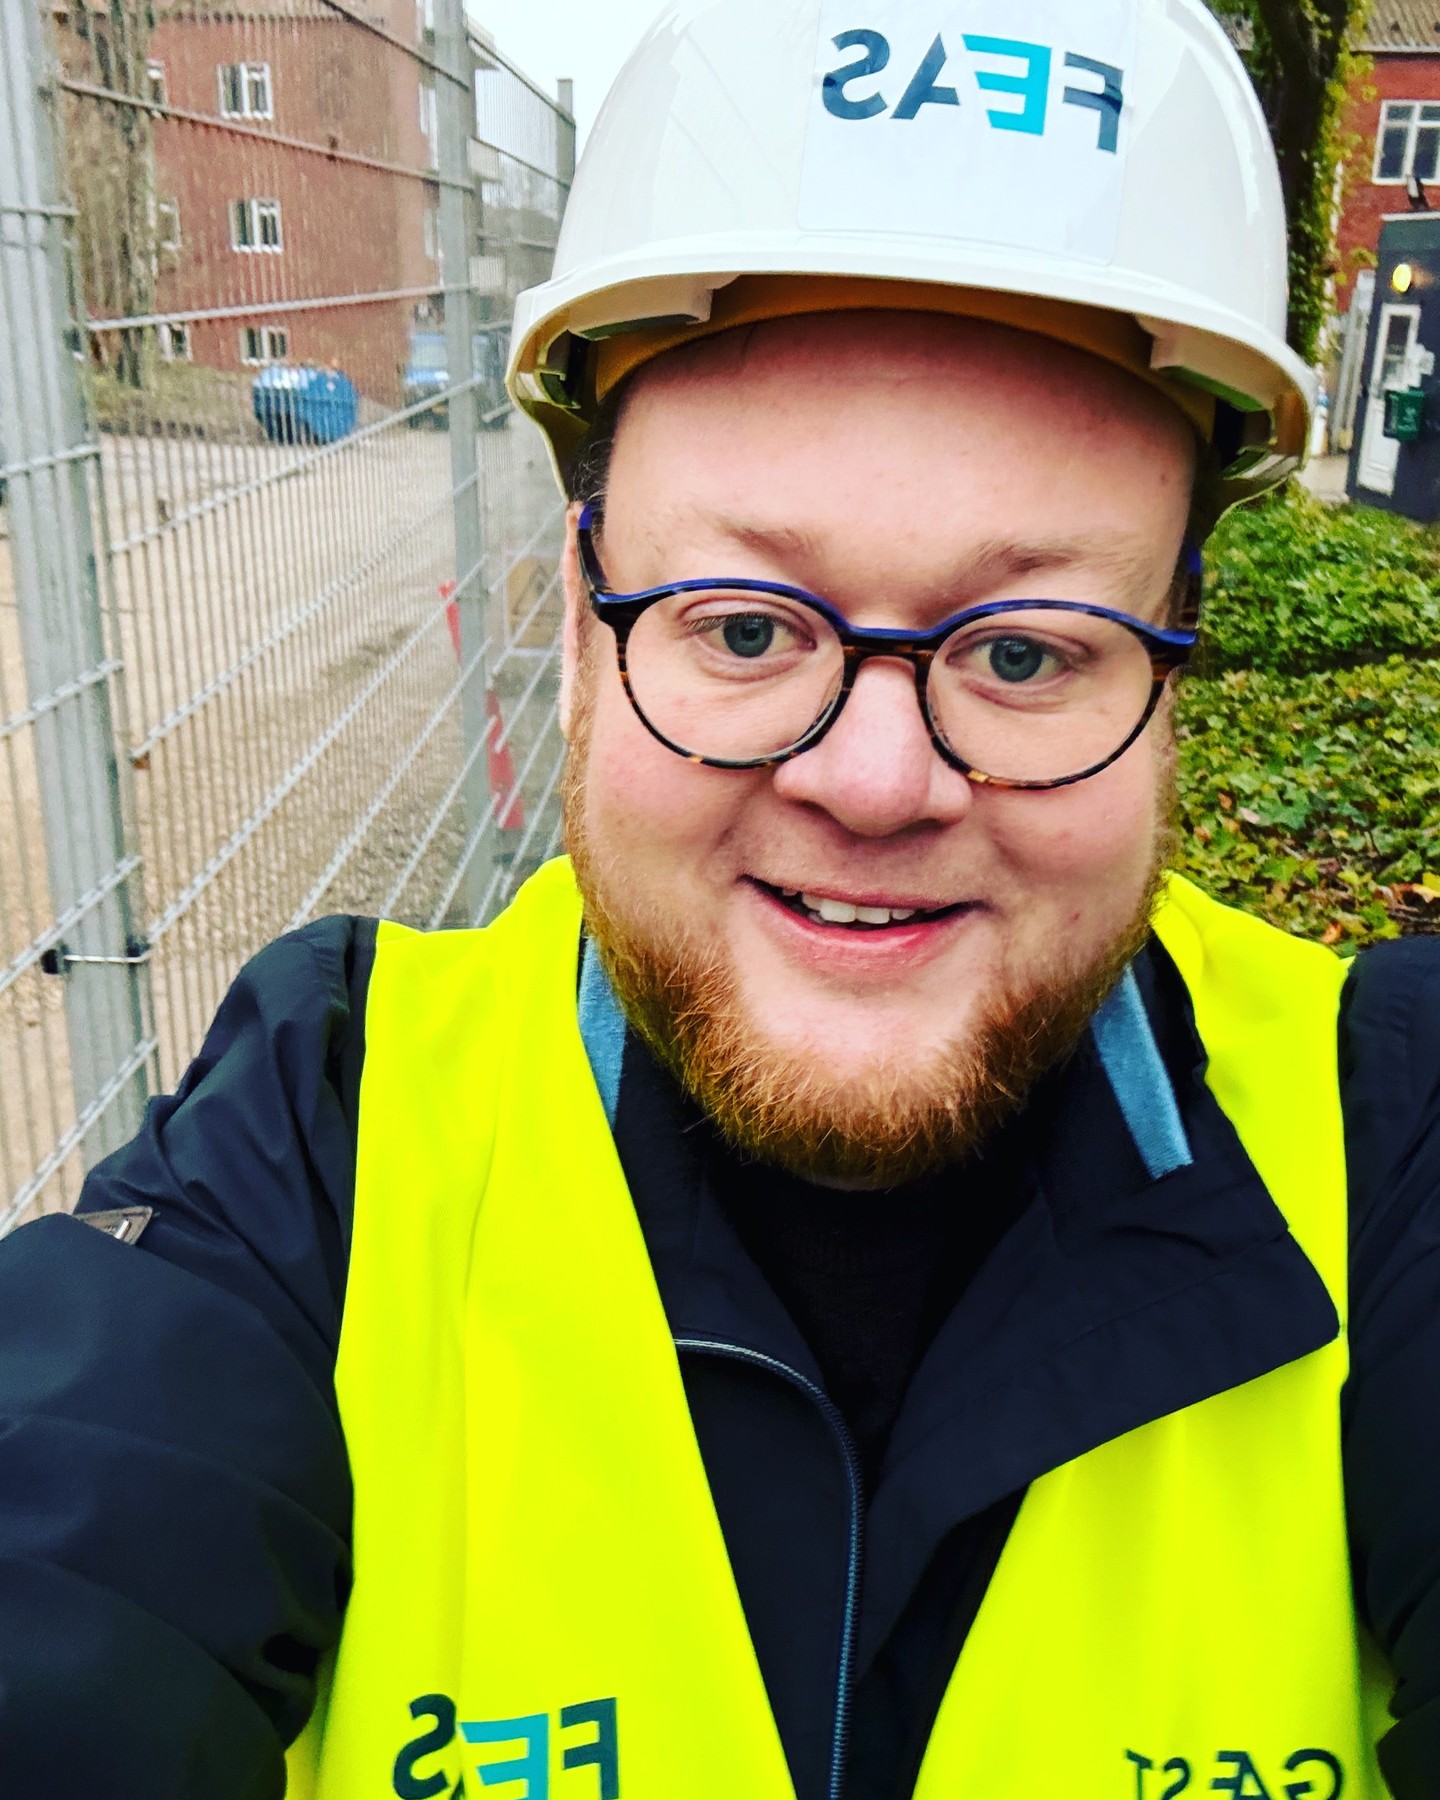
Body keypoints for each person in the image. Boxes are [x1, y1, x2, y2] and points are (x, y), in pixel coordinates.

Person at [2, 2, 1439, 1796]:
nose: (876, 782)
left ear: (1170, 668)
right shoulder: (335, 1131)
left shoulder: (1387, 1126)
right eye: (748, 628)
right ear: (579, 628)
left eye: (1025, 651)